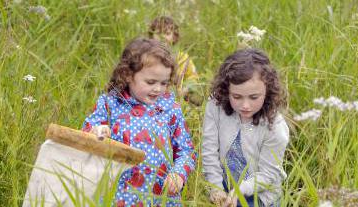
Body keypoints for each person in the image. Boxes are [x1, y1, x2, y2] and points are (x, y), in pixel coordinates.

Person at [81, 38, 196, 206]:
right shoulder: (110, 104)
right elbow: (87, 133)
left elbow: (186, 150)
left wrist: (178, 174)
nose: (158, 89)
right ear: (128, 75)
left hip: (160, 197)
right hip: (117, 195)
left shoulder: (170, 108)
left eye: (164, 83)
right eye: (150, 82)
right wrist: (97, 132)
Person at [201, 49, 290, 207]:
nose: (245, 105)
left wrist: (240, 189)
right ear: (226, 90)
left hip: (261, 197)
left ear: (267, 91)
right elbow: (209, 150)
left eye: (254, 97)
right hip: (224, 187)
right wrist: (215, 187)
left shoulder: (275, 126)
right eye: (236, 97)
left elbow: (269, 174)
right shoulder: (216, 105)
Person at [148, 16, 202, 106]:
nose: (162, 37)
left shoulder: (183, 58)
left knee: (197, 99)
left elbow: (194, 78)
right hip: (153, 99)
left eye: (167, 33)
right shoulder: (147, 57)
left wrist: (185, 89)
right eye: (158, 33)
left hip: (178, 99)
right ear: (152, 35)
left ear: (174, 37)